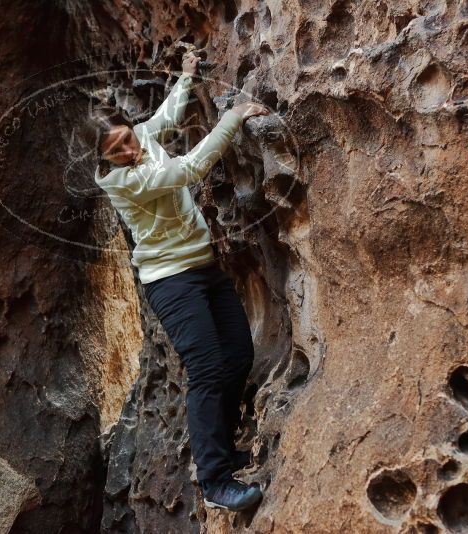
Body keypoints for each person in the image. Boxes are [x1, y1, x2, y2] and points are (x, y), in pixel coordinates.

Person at [88, 51, 270, 512]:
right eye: (117, 152)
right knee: (207, 369)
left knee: (239, 354)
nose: (130, 151)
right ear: (105, 161)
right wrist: (232, 117)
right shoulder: (123, 181)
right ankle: (215, 481)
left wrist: (187, 78)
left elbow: (164, 118)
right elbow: (188, 169)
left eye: (128, 140)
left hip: (203, 267)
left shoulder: (142, 139)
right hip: (170, 282)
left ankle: (224, 450)